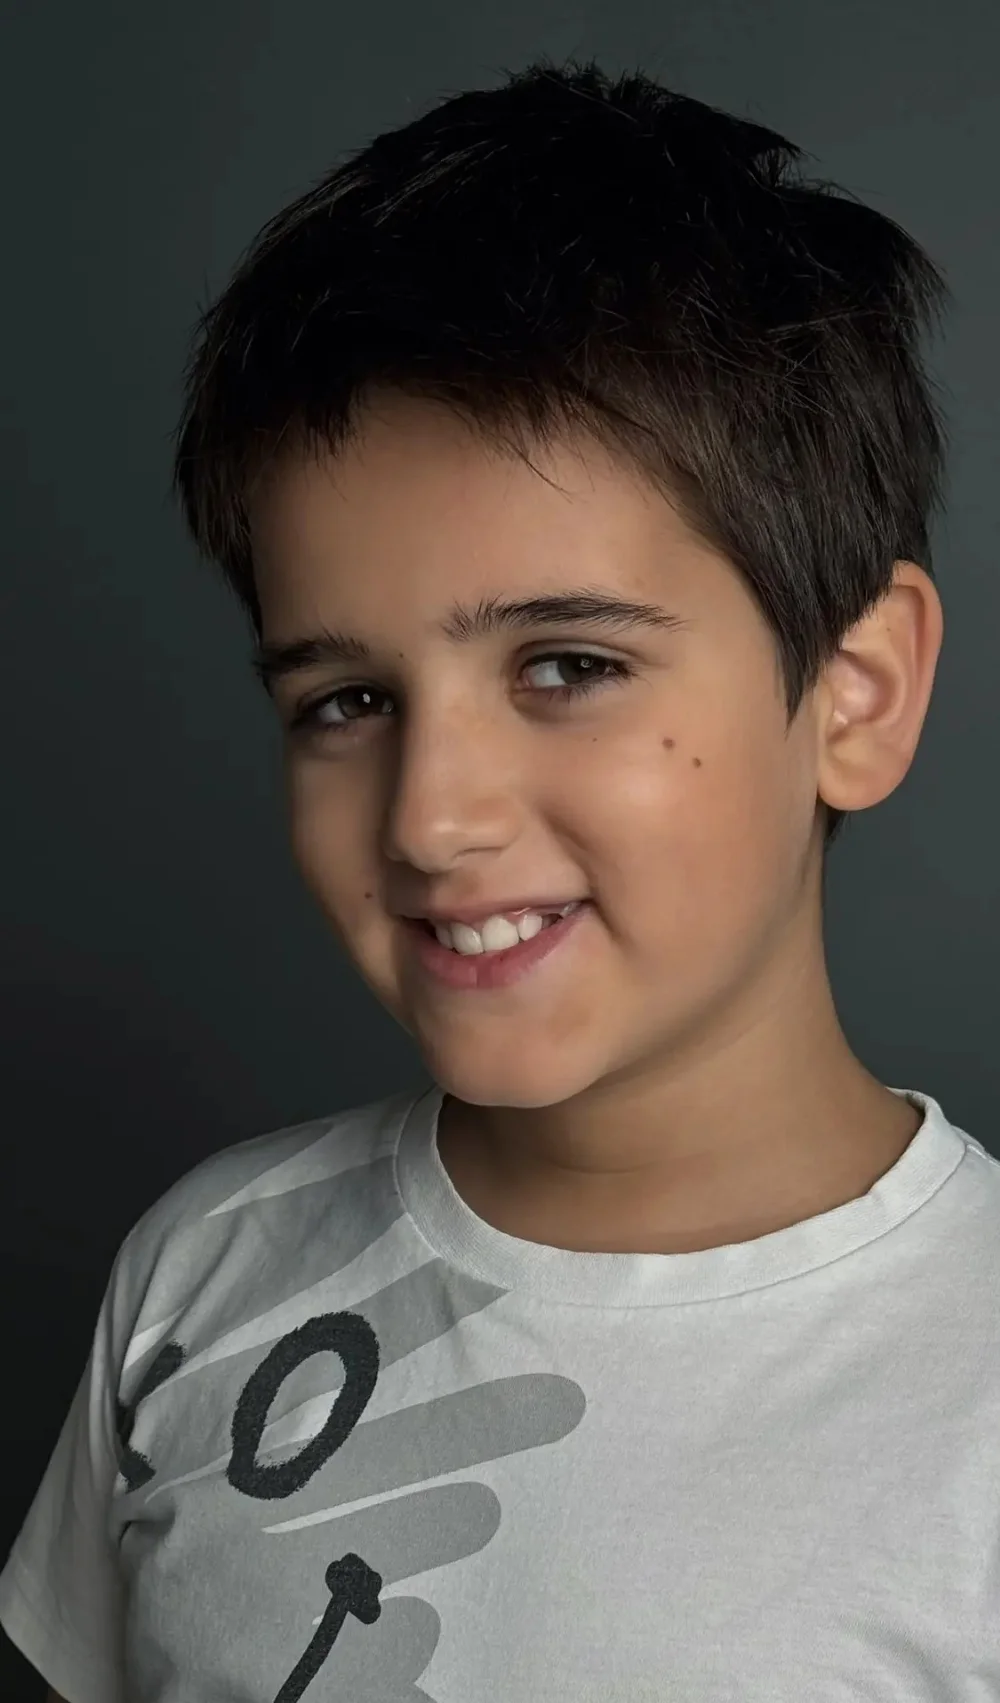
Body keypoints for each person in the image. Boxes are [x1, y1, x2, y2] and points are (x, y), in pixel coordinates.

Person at [3, 57, 997, 1703]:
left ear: (857, 693)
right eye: (347, 700)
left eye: (568, 665)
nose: (431, 817)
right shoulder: (203, 1273)